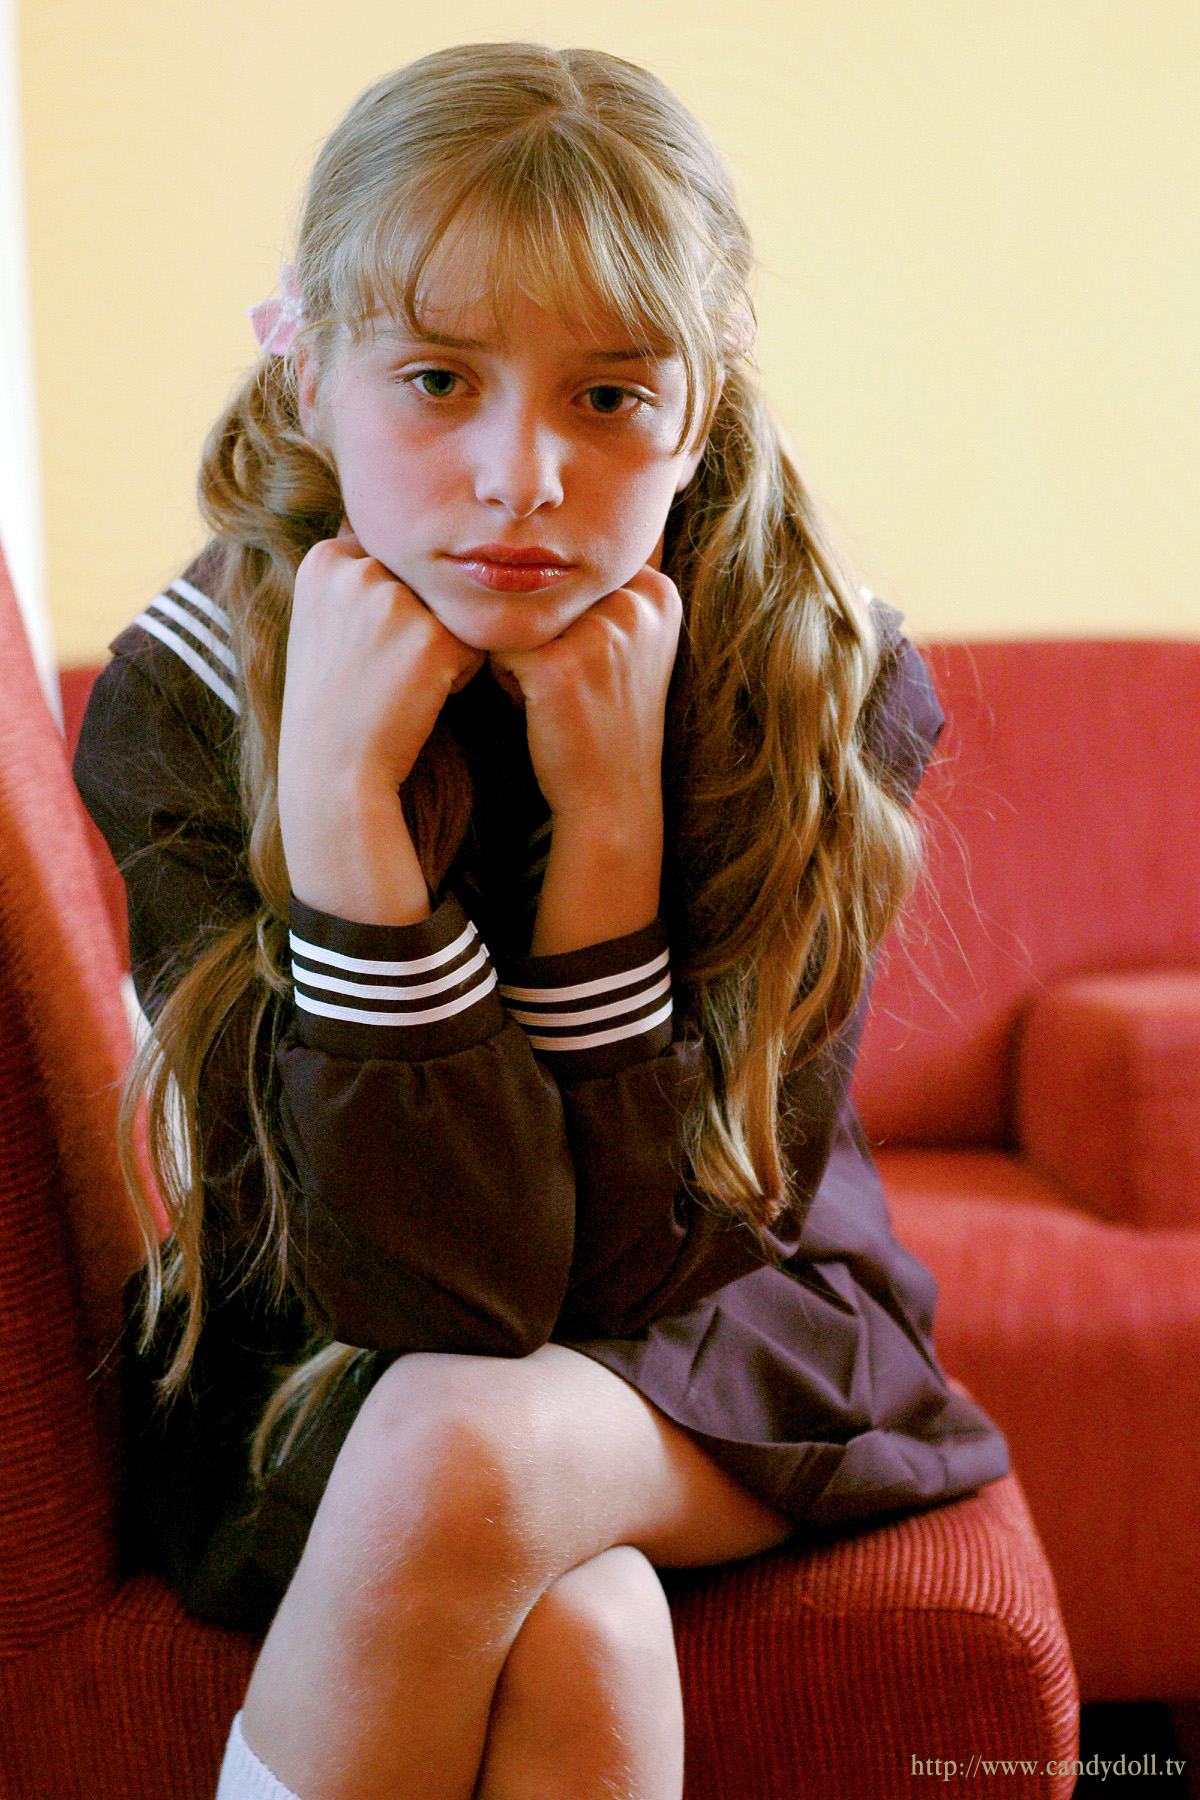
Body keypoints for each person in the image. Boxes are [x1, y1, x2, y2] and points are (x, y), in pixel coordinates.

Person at [74, 41, 1008, 1800]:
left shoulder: (811, 678)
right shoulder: (186, 701)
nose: (524, 476)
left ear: (703, 408)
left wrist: (611, 839)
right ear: (309, 374)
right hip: (331, 1336)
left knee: (458, 1454)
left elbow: (657, 1272)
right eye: (437, 379)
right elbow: (427, 1295)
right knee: (580, 1624)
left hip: (734, 1320)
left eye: (609, 397)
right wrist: (343, 821)